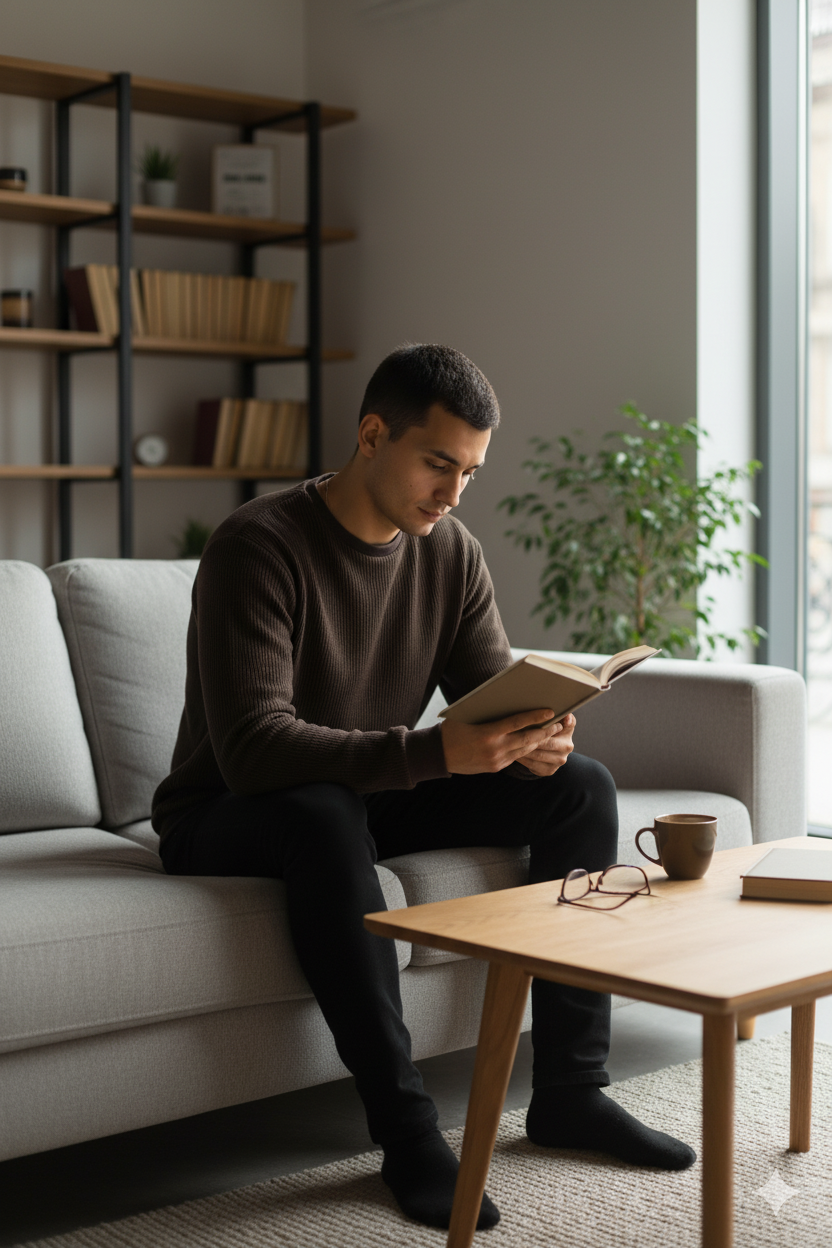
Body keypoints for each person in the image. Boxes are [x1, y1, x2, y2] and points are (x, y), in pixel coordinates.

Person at [152, 344, 695, 1231]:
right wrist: (439, 753)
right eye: (437, 464)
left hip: (361, 793)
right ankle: (407, 1134)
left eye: (470, 473)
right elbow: (253, 749)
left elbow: (488, 691)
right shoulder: (259, 545)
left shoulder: (448, 552)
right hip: (224, 810)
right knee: (324, 813)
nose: (451, 494)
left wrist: (538, 733)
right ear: (373, 435)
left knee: (583, 789)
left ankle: (569, 1091)